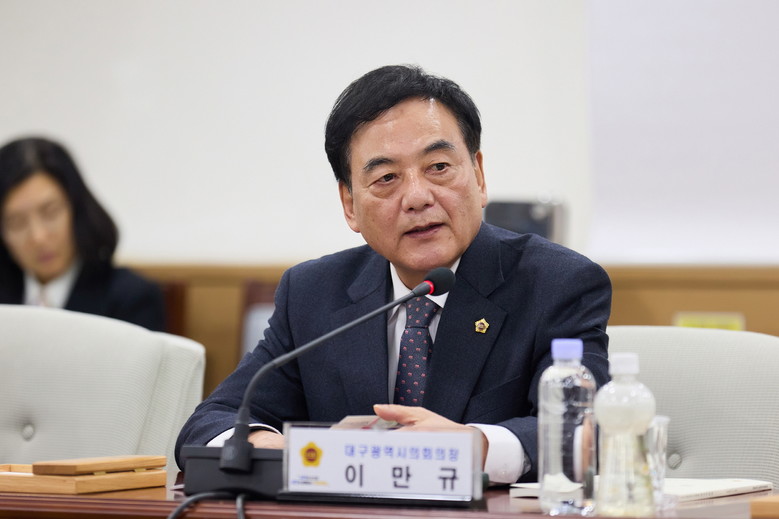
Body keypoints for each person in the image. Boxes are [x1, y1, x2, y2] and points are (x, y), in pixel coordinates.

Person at [175, 65, 611, 483]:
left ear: (479, 176)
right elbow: (212, 422)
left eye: (438, 167)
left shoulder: (557, 284)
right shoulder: (313, 293)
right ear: (350, 205)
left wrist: (474, 447)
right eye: (386, 178)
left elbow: (586, 432)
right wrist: (285, 452)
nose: (418, 197)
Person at [0, 136, 166, 331]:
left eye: (50, 212)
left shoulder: (131, 299)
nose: (38, 237)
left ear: (77, 208)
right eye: (17, 223)